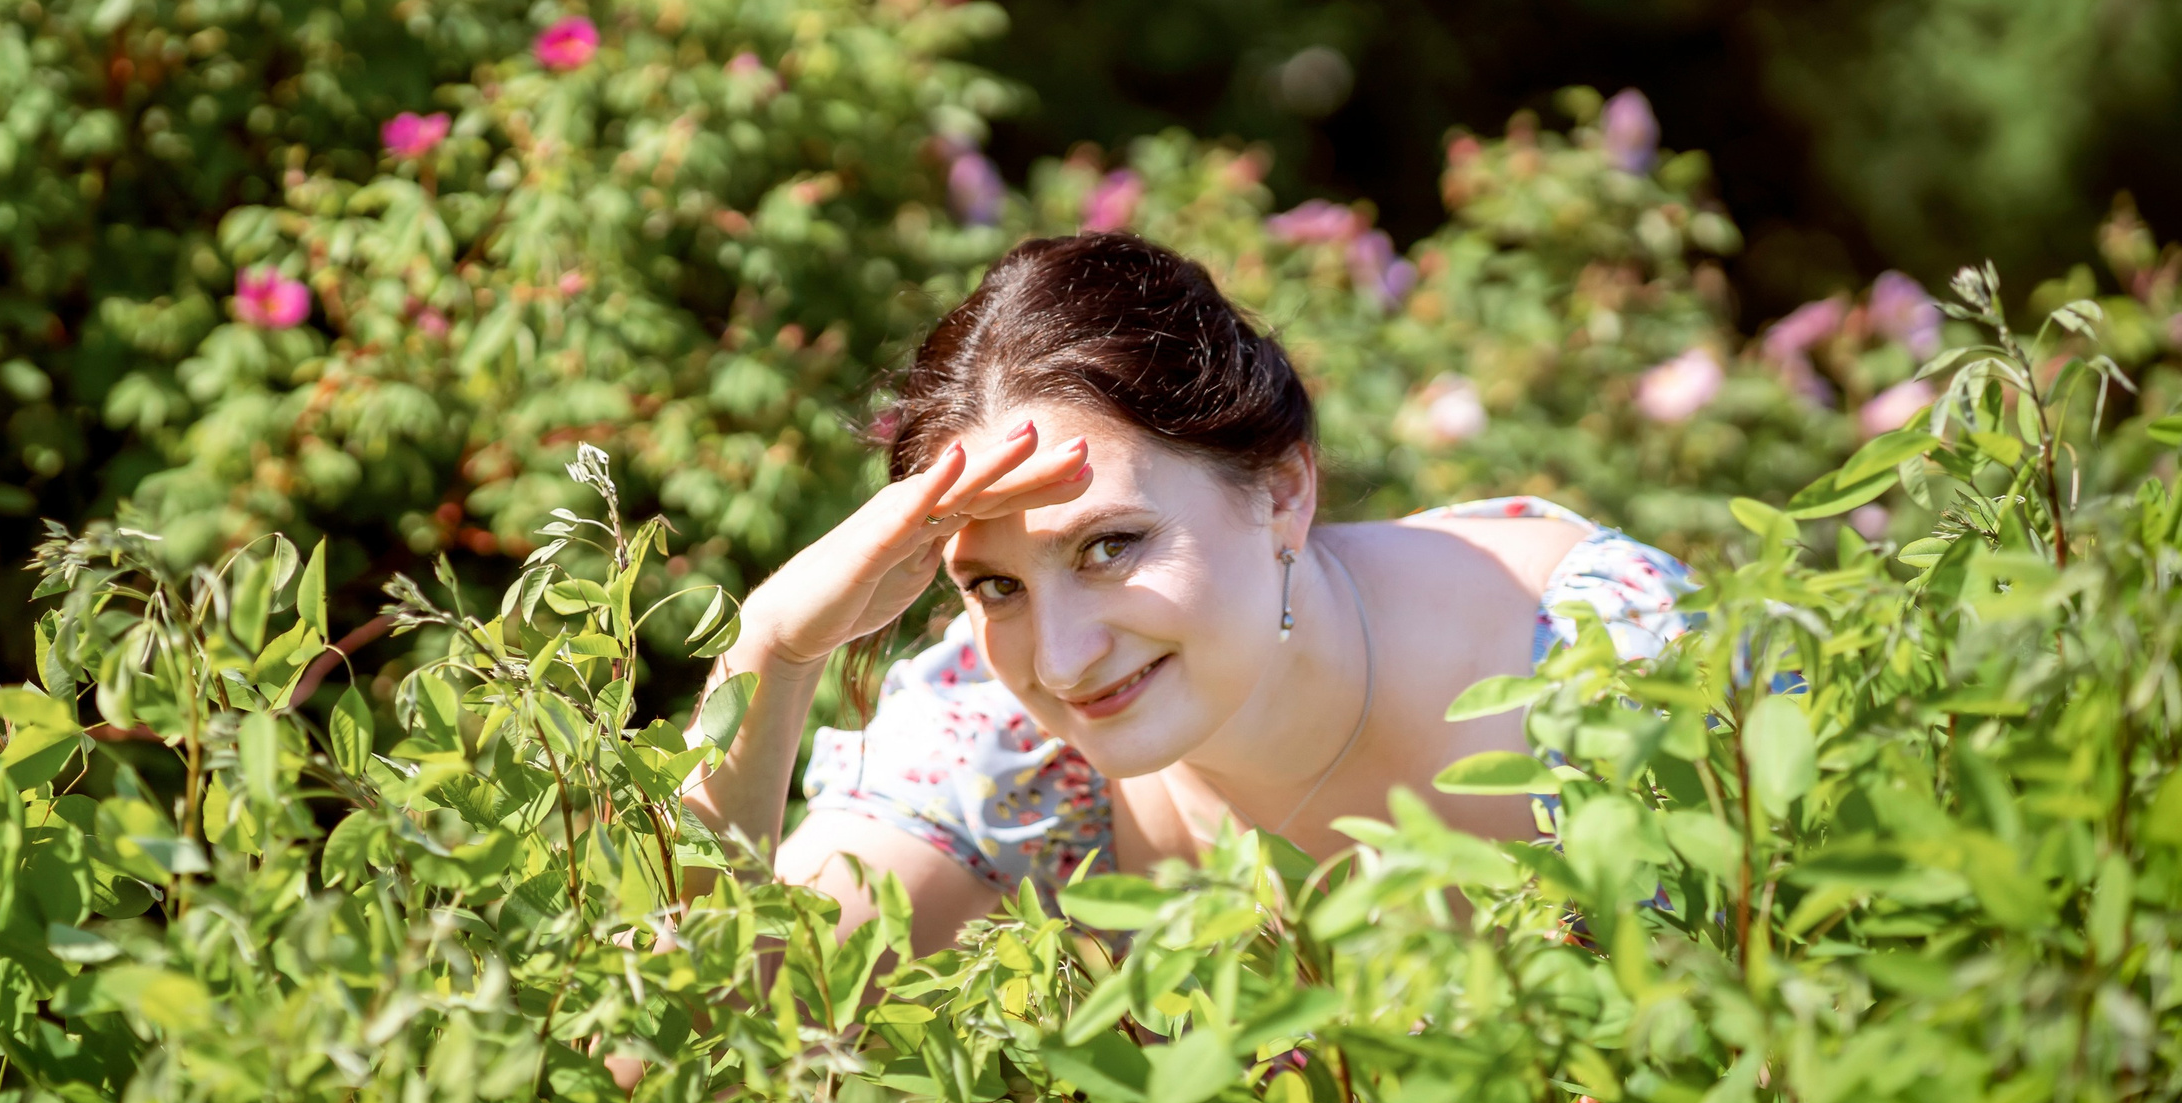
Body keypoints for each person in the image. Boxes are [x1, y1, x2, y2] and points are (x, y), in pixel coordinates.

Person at [684, 233, 1695, 954]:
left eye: (1110, 545)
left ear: (1283, 488)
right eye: (995, 584)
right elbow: (673, 1044)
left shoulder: (1608, 669)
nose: (1062, 658)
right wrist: (771, 652)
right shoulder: (1004, 752)